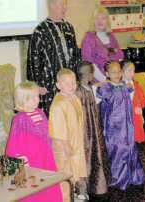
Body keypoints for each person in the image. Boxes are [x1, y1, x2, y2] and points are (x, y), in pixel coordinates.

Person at [5, 81, 63, 202]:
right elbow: (13, 143)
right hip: (31, 161)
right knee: (33, 189)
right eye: (31, 98)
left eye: (37, 96)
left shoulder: (41, 113)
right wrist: (21, 161)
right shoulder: (19, 119)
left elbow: (48, 133)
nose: (36, 100)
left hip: (46, 157)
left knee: (48, 186)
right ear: (22, 100)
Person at [27, 0, 81, 115]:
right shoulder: (40, 30)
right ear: (51, 5)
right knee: (52, 120)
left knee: (69, 116)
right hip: (49, 86)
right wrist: (37, 85)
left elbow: (76, 55)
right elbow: (34, 59)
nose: (65, 7)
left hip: (68, 85)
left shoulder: (68, 28)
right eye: (62, 4)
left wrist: (76, 79)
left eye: (66, 4)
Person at [96, 61, 145, 190]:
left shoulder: (126, 86)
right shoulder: (104, 89)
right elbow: (95, 104)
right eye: (113, 72)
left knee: (130, 149)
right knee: (118, 152)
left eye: (119, 71)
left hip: (127, 125)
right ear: (107, 73)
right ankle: (119, 178)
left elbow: (133, 101)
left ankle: (133, 176)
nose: (117, 74)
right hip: (114, 129)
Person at [49, 69, 87, 202]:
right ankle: (65, 198)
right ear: (58, 85)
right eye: (67, 83)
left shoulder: (74, 98)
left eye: (73, 82)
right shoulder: (59, 104)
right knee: (65, 176)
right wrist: (66, 146)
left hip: (75, 143)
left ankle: (75, 194)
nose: (71, 86)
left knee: (75, 172)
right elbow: (58, 130)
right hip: (64, 148)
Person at [75, 61, 109, 196]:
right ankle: (85, 187)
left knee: (96, 153)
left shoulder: (89, 88)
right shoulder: (79, 91)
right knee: (87, 155)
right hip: (85, 131)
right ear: (88, 75)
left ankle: (96, 185)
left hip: (93, 128)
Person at [81, 6, 124, 82]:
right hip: (98, 81)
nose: (100, 21)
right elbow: (89, 64)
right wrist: (105, 80)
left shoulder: (111, 36)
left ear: (107, 21)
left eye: (103, 18)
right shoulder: (89, 38)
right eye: (97, 18)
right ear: (93, 21)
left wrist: (119, 76)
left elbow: (119, 57)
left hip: (115, 79)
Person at [122, 61, 145, 143]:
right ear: (122, 72)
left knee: (137, 130)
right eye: (129, 70)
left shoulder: (136, 84)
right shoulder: (120, 86)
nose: (132, 73)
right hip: (125, 113)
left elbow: (140, 100)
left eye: (133, 71)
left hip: (136, 112)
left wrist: (141, 113)